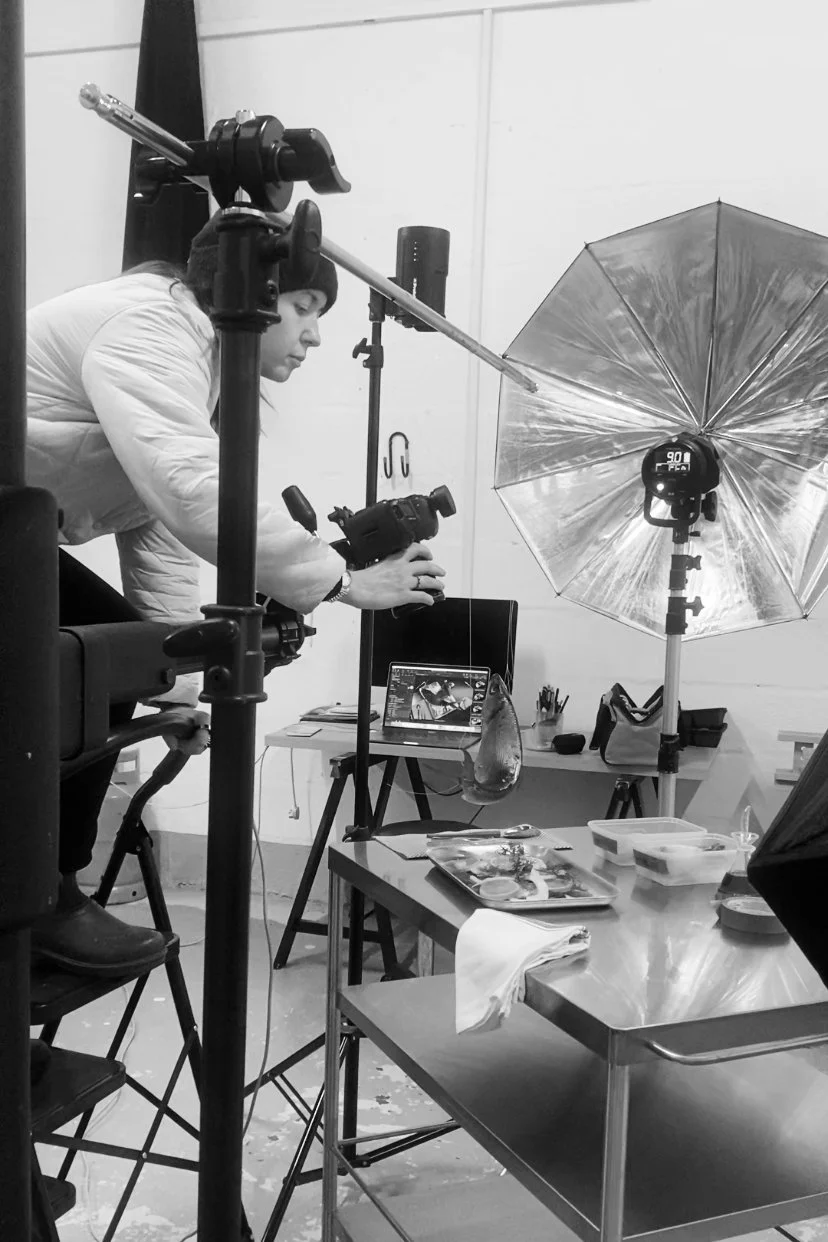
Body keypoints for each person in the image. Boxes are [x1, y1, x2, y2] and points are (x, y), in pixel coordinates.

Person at [25, 212, 445, 977]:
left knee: (110, 655)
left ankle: (45, 892)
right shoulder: (153, 329)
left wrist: (168, 687)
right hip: (6, 531)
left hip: (13, 532)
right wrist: (343, 582)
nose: (315, 337)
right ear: (256, 292)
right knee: (91, 664)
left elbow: (156, 530)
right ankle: (44, 898)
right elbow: (193, 491)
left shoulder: (194, 364)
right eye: (307, 310)